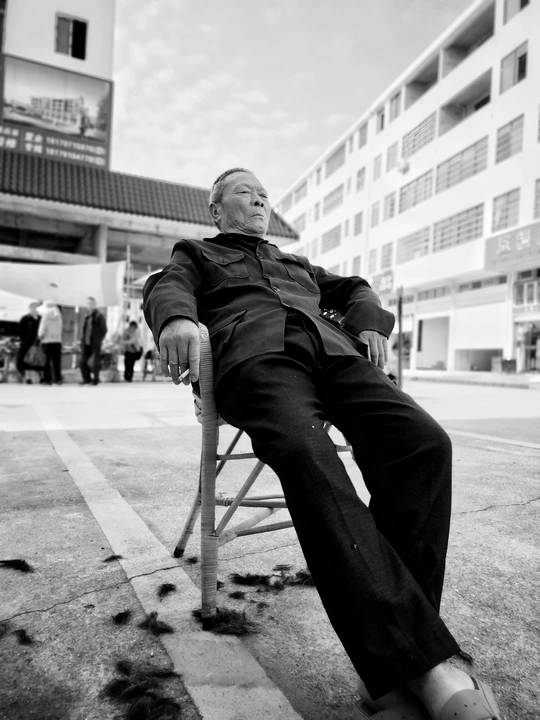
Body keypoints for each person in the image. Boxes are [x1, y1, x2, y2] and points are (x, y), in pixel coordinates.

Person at [143, 168, 501, 720]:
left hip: (334, 354)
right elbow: (164, 284)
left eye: (264, 194)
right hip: (258, 357)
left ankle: (394, 661)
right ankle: (422, 667)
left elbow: (356, 288)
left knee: (425, 445)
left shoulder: (297, 263)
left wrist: (370, 322)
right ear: (216, 210)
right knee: (307, 452)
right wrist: (175, 318)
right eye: (244, 192)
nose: (259, 200)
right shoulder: (197, 252)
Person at [79, 296, 107, 386]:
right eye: (88, 303)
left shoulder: (99, 315)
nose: (89, 305)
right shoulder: (86, 315)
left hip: (95, 342)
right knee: (82, 361)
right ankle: (87, 379)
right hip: (86, 343)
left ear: (95, 304)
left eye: (91, 303)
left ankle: (95, 380)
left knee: (95, 362)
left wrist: (98, 339)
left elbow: (104, 330)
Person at [38, 300, 63, 385]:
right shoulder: (59, 317)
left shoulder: (45, 317)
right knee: (57, 362)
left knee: (46, 362)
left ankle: (47, 380)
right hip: (57, 341)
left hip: (47, 342)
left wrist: (40, 336)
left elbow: (41, 331)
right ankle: (58, 379)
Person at [16, 301, 43, 383]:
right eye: (33, 308)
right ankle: (28, 378)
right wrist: (23, 340)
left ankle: (42, 377)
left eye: (37, 308)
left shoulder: (41, 318)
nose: (35, 310)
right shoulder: (25, 318)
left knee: (39, 360)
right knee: (26, 360)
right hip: (26, 343)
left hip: (38, 343)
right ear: (30, 309)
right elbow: (20, 331)